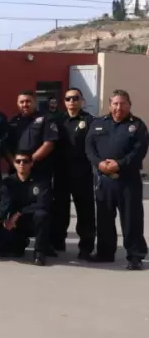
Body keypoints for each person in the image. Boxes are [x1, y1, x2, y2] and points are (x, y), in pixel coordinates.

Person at [85, 89, 148, 270]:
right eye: (115, 103)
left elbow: (139, 151)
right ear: (110, 104)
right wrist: (99, 164)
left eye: (123, 104)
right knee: (104, 218)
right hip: (104, 180)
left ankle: (135, 256)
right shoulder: (99, 124)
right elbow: (89, 148)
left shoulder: (137, 125)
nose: (119, 107)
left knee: (131, 219)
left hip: (128, 180)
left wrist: (119, 164)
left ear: (129, 105)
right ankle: (105, 253)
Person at [52, 87, 95, 257]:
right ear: (64, 101)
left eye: (76, 98)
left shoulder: (89, 121)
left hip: (82, 174)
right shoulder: (58, 120)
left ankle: (86, 247)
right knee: (60, 211)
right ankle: (57, 243)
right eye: (68, 98)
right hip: (61, 173)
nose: (72, 102)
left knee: (85, 212)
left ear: (81, 100)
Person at [0, 151, 51, 265]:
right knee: (7, 250)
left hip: (33, 220)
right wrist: (2, 219)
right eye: (18, 161)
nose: (22, 164)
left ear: (31, 163)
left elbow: (43, 203)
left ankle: (39, 252)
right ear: (14, 164)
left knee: (42, 215)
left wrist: (19, 213)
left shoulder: (41, 180)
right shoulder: (8, 182)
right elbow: (4, 203)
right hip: (14, 223)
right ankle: (21, 242)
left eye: (25, 161)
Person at [7, 91, 58, 175]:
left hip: (39, 169)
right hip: (16, 171)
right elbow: (6, 147)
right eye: (21, 102)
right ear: (17, 103)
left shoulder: (46, 118)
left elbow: (49, 144)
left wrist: (29, 162)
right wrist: (15, 163)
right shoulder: (12, 121)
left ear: (35, 102)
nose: (24, 104)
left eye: (28, 101)